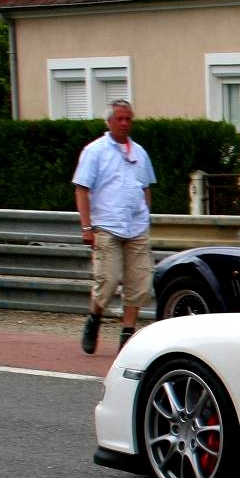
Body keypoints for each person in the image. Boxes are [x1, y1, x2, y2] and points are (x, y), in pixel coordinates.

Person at [73, 99, 156, 354]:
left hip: (136, 226)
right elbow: (82, 188)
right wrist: (86, 227)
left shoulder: (139, 152)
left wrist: (145, 214)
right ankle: (94, 317)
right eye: (119, 119)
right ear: (109, 122)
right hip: (107, 225)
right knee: (107, 281)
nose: (124, 123)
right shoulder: (95, 151)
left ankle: (127, 333)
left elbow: (146, 187)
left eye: (128, 119)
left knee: (138, 282)